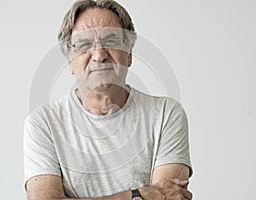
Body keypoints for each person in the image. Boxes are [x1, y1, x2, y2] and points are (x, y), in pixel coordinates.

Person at [23, 0, 193, 199]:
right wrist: (137, 195)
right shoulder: (44, 123)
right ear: (70, 61)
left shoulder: (165, 113)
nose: (99, 55)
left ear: (129, 54)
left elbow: (169, 197)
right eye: (85, 44)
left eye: (111, 41)